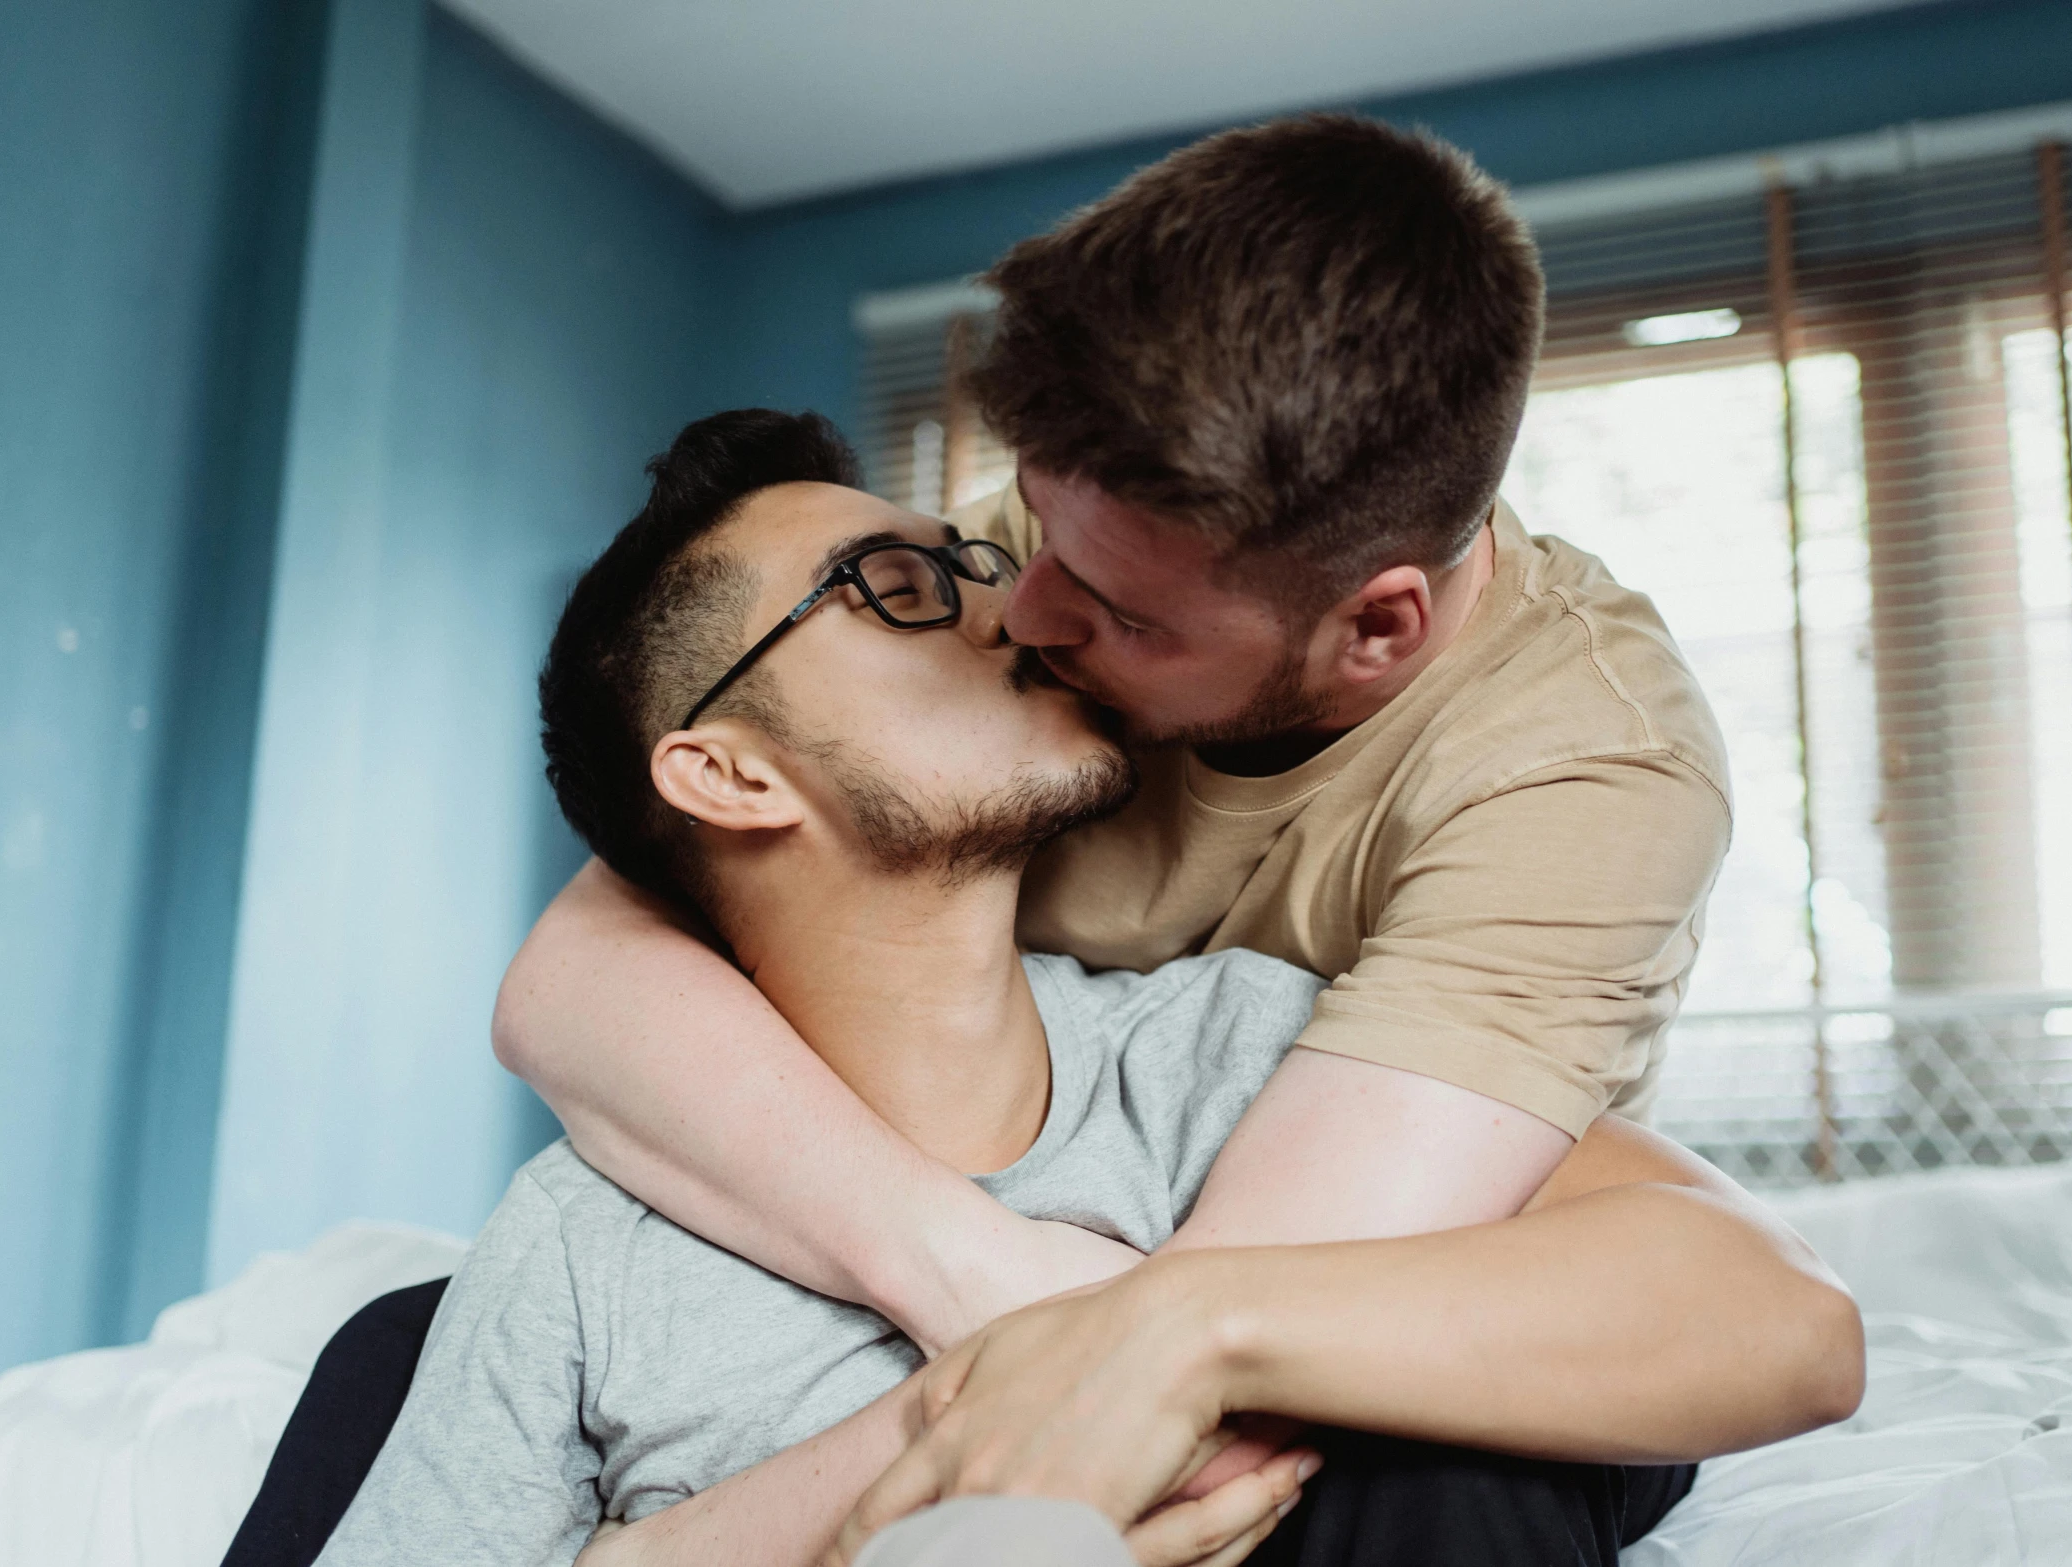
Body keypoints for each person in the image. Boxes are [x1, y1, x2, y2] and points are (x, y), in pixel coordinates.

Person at [312, 410, 1856, 1567]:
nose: (1021, 606)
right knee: (382, 1342)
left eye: (975, 559)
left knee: (1461, 1456)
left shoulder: (1245, 1054)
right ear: (723, 770)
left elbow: (1774, 1306)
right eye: (903, 581)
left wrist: (1171, 1331)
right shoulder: (585, 1245)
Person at [496, 112, 1738, 1390]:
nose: (1022, 613)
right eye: (1029, 529)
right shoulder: (1082, 547)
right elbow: (575, 982)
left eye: (1125, 616)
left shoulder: (1585, 779)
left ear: (1372, 628)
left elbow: (1233, 1323)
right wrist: (968, 1269)